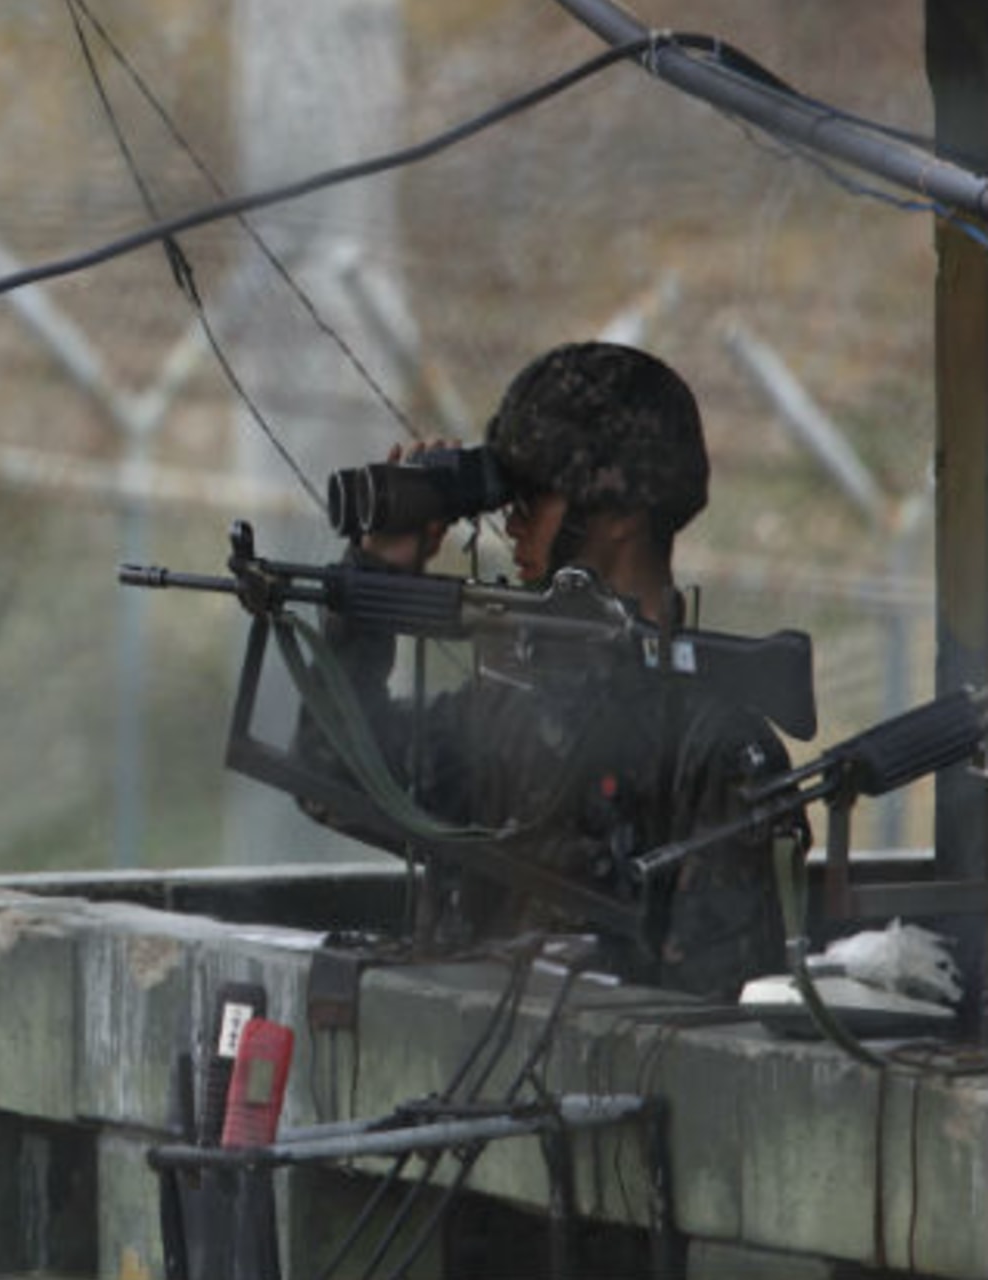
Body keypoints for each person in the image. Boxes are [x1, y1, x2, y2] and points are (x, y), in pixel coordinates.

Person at [294, 341, 803, 999]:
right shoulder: (508, 713)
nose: (511, 521)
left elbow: (720, 1019)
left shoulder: (719, 754)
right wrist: (377, 578)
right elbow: (331, 772)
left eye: (533, 497)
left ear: (617, 515)